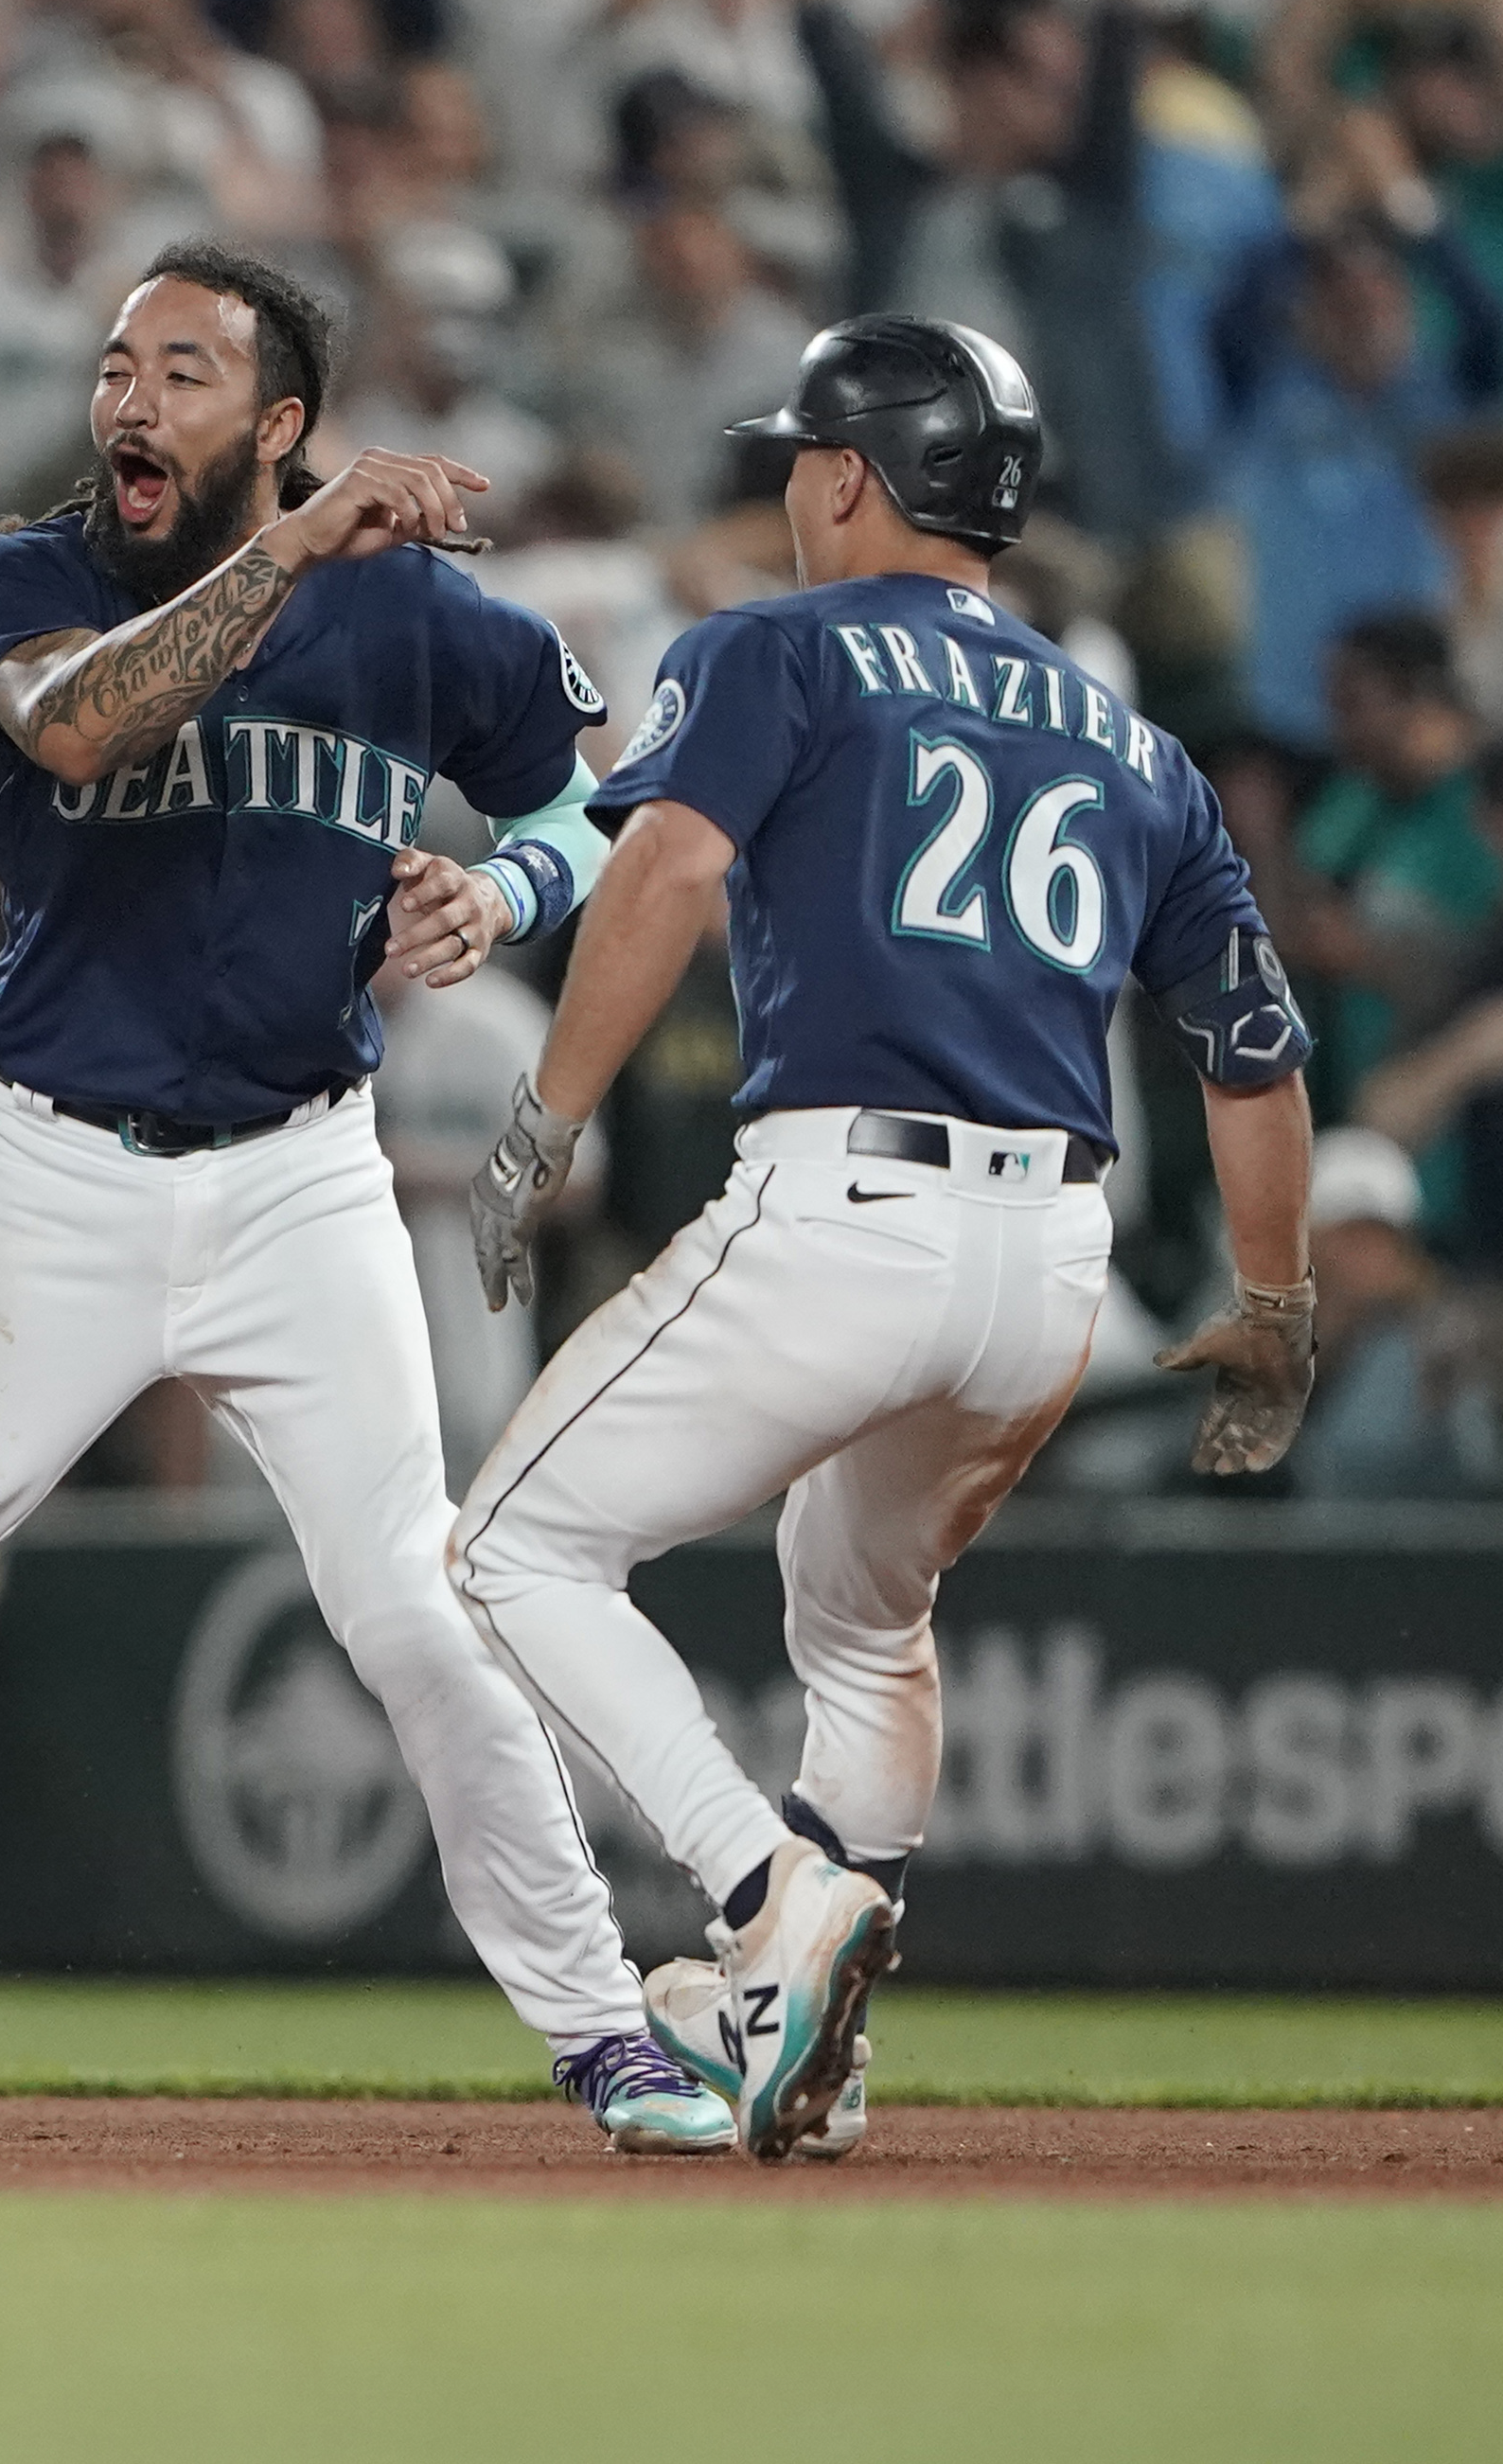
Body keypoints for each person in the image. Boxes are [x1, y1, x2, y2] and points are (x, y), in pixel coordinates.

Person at [0, 248, 728, 2155]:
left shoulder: (412, 610)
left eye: (182, 370)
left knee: (417, 1611)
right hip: (44, 1174)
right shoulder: (31, 573)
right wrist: (300, 553)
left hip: (298, 1179)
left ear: (282, 420)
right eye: (113, 366)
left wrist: (508, 896)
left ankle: (604, 2032)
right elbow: (84, 727)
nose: (129, 401)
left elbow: (609, 799)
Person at [451, 316, 1319, 2163]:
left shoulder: (772, 643)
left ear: (850, 475)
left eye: (798, 458)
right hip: (1050, 1262)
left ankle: (772, 1892)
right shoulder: (1136, 741)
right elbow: (1248, 1053)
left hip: (850, 1203)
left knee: (514, 1545)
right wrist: (1276, 1303)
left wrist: (546, 1123)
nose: (783, 488)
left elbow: (666, 869)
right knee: (863, 1611)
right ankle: (815, 2052)